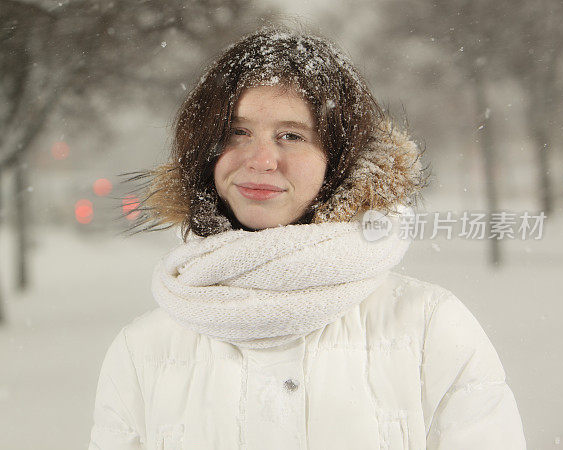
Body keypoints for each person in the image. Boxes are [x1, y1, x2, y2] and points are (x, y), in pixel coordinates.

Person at [88, 25, 525, 449]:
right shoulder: (142, 350)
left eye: (291, 136)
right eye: (236, 132)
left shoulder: (429, 327)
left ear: (338, 160)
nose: (260, 160)